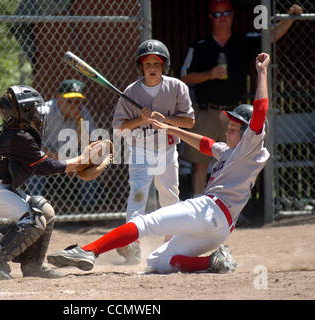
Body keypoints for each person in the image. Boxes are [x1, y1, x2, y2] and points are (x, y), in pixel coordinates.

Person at [47, 52, 271, 275]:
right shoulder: (229, 152)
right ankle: (215, 262)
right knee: (158, 261)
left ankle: (88, 250)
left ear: (250, 134)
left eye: (234, 129)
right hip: (219, 229)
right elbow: (205, 144)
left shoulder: (250, 149)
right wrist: (171, 128)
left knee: (146, 223)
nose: (228, 130)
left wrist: (261, 73)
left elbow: (260, 111)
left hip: (209, 209)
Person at [0, 85, 104, 280]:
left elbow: (40, 168)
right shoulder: (18, 136)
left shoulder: (20, 134)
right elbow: (47, 166)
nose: (37, 115)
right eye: (31, 110)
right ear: (20, 113)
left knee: (46, 211)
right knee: (34, 218)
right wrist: (81, 160)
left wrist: (76, 163)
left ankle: (33, 265)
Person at [180, 0, 303, 196]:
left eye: (227, 13)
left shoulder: (242, 41)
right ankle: (197, 204)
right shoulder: (201, 45)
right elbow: (184, 76)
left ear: (233, 15)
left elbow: (270, 36)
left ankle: (228, 208)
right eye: (218, 14)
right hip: (206, 111)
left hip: (234, 115)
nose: (223, 18)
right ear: (211, 18)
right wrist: (209, 74)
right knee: (200, 163)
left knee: (234, 162)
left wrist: (289, 17)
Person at [111, 39, 195, 264]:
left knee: (169, 195)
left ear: (164, 66)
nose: (152, 68)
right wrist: (140, 119)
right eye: (147, 64)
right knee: (138, 194)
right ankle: (132, 244)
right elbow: (118, 128)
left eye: (157, 64)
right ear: (141, 67)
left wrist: (165, 119)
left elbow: (189, 122)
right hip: (140, 150)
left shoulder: (177, 87)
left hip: (167, 150)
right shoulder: (131, 92)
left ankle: (172, 242)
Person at [23, 79, 99, 210]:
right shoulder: (43, 112)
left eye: (77, 101)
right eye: (69, 101)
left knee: (92, 160)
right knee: (34, 162)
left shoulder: (82, 113)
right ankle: (35, 210)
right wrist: (58, 157)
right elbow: (29, 145)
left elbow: (89, 145)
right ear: (58, 97)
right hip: (45, 154)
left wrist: (78, 120)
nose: (74, 105)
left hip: (70, 154)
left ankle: (87, 210)